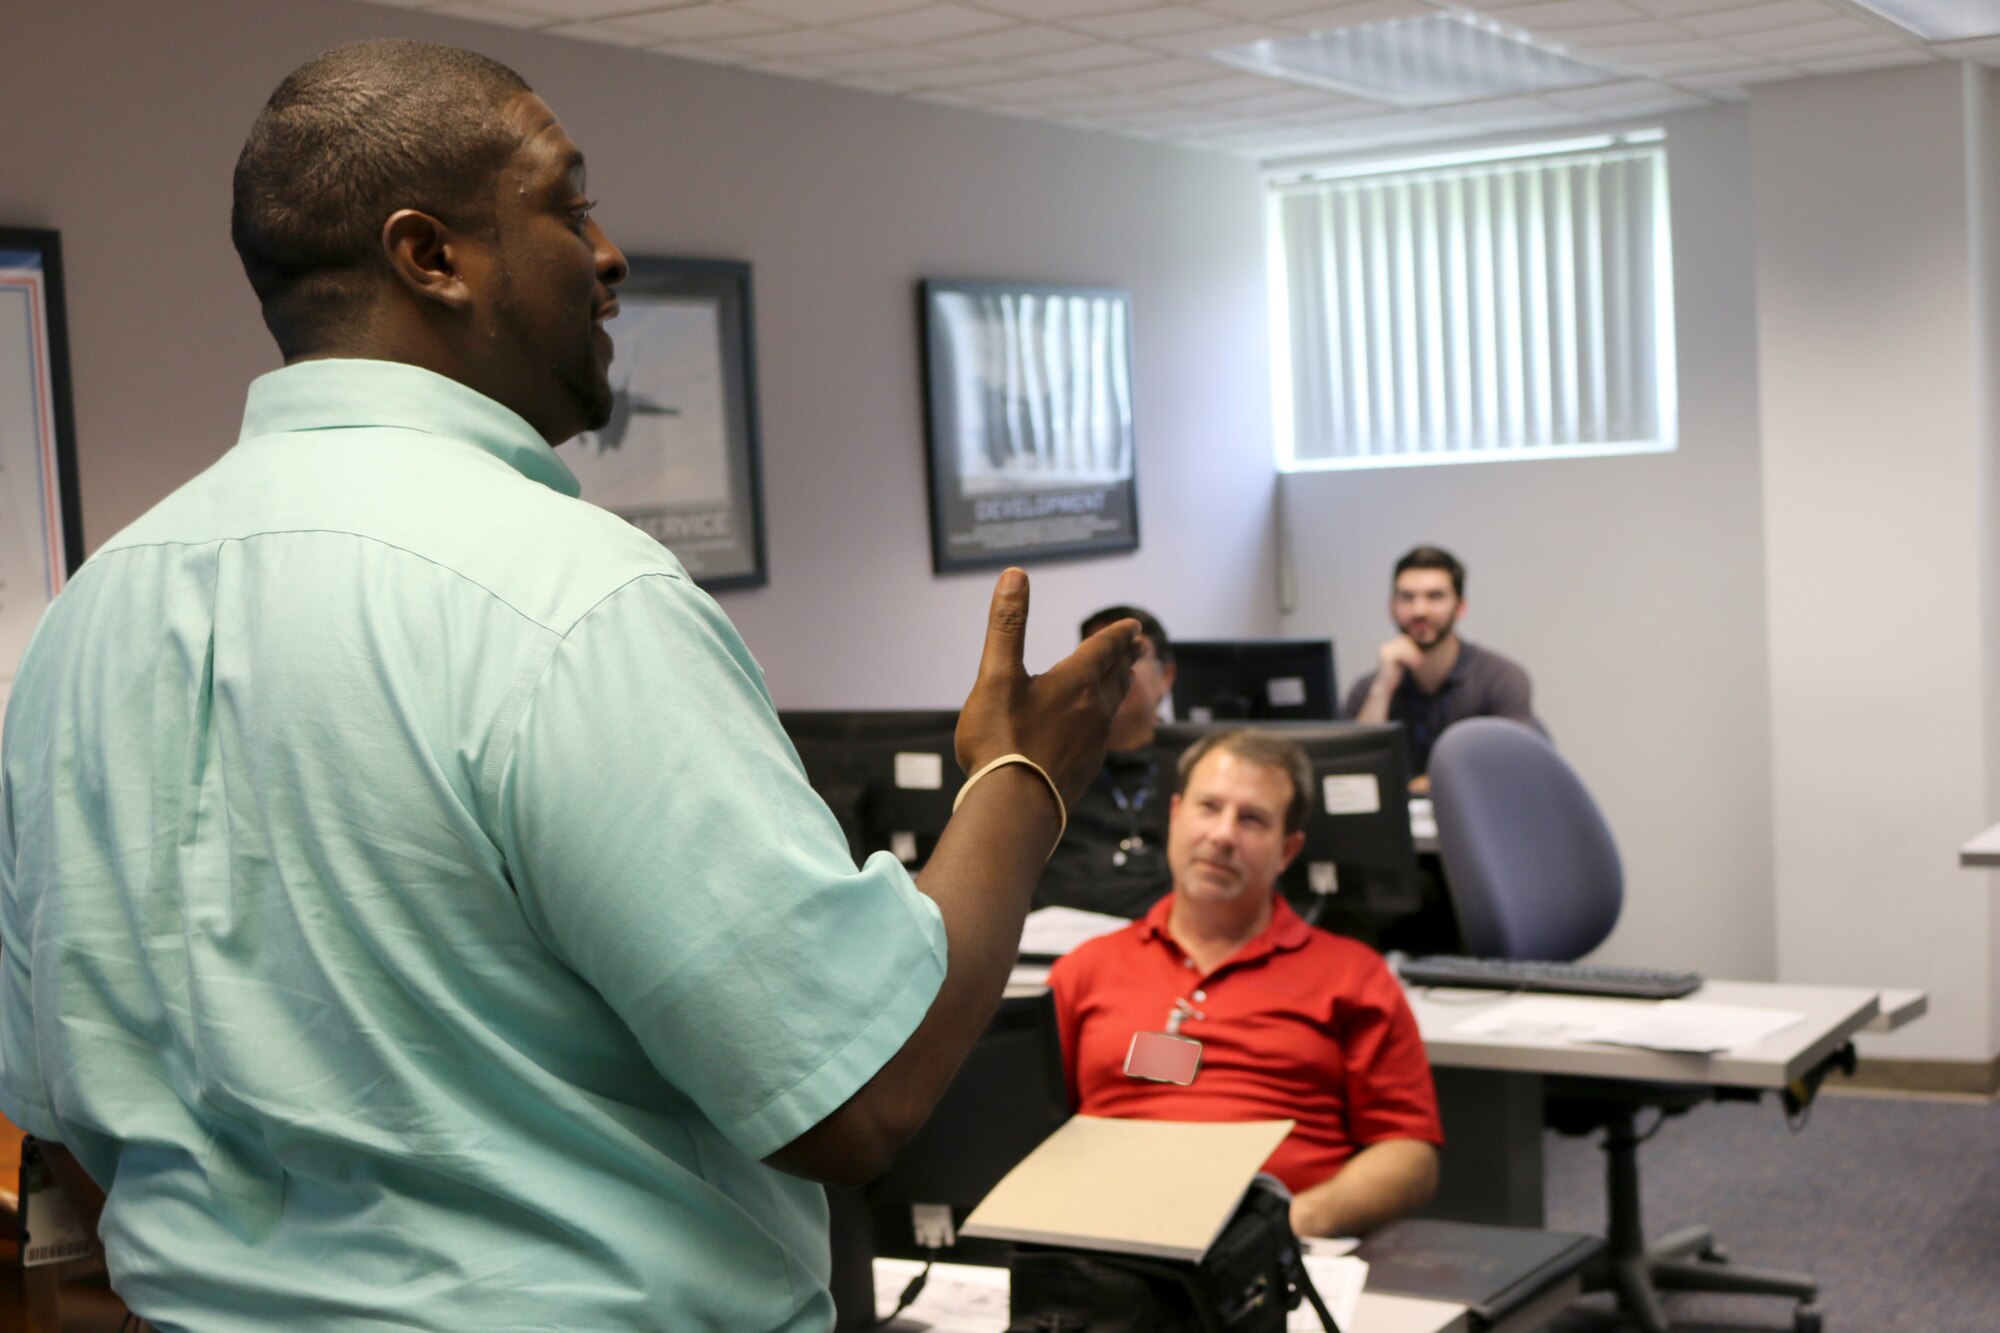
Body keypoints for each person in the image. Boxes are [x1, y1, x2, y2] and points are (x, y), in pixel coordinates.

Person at [0, 40, 1140, 1332]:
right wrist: (1021, 783)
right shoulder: (569, 598)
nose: (609, 254)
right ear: (429, 255)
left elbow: (72, 1128)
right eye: (568, 202)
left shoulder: (85, 622)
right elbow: (853, 1094)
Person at [1048, 730, 1442, 1239]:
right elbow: (1033, 1128)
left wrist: (1291, 1226)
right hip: (1113, 1243)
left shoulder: (1352, 976)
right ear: (1175, 815)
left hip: (1276, 1255)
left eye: (1252, 819)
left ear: (1287, 850)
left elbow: (1408, 1154)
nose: (1222, 835)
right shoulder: (1086, 969)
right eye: (1208, 807)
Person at [1344, 545, 1533, 792]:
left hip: (1473, 820)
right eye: (1407, 597)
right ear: (1392, 607)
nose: (1419, 610)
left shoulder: (1501, 679)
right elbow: (1352, 776)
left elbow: (1515, 764)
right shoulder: (1369, 688)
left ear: (1460, 606)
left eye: (1435, 596)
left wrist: (1431, 784)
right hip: (1392, 826)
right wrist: (1382, 689)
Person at [1034, 604, 1179, 919]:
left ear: (1166, 675)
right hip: (1049, 942)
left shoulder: (1193, 769)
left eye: (1131, 656)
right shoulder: (1051, 766)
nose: (1113, 669)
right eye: (1099, 657)